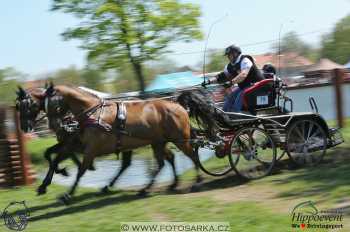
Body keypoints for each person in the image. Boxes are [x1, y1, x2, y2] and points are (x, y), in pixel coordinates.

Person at [202, 45, 264, 112]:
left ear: (235, 53)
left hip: (257, 85)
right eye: (227, 55)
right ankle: (225, 114)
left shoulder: (245, 60)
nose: (228, 57)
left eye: (229, 54)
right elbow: (221, 76)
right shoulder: (230, 66)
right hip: (244, 87)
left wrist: (231, 82)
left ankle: (237, 116)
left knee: (241, 96)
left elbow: (243, 75)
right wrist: (208, 81)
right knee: (231, 97)